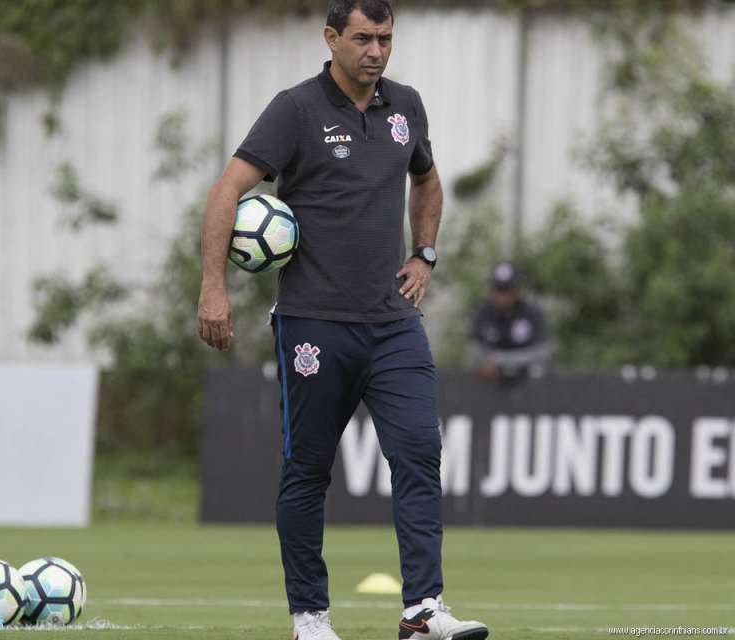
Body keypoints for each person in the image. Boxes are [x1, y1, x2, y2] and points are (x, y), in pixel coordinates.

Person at [196, 2, 488, 639]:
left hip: (393, 323)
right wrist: (212, 286)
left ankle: (423, 611)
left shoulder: (405, 105)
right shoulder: (295, 108)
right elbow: (228, 189)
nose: (376, 51)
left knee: (419, 453)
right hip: (313, 324)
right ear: (331, 38)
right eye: (363, 38)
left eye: (385, 38)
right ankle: (310, 618)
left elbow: (429, 181)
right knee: (308, 471)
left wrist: (425, 252)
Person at [471, 261, 550, 382]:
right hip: (491, 387)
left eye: (506, 289)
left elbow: (542, 353)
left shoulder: (532, 313)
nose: (502, 295)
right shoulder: (483, 313)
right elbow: (476, 354)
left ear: (517, 289)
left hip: (530, 386)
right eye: (498, 289)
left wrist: (501, 360)